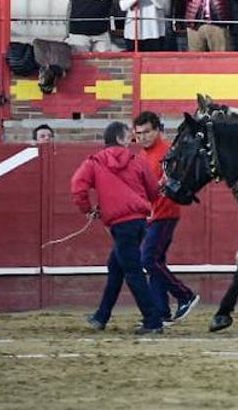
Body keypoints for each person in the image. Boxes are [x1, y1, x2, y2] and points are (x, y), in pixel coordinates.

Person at [70, 121, 164, 335]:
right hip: (139, 222)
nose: (133, 140)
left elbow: (78, 188)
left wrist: (87, 210)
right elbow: (153, 191)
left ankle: (153, 321)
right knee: (116, 267)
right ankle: (101, 316)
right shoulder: (137, 160)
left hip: (120, 226)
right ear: (121, 139)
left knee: (132, 273)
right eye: (129, 137)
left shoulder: (94, 162)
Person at [133, 111, 201, 328]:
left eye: (146, 132)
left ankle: (185, 295)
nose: (142, 137)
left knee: (148, 260)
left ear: (157, 130)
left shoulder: (168, 152)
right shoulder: (141, 156)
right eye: (138, 133)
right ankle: (161, 312)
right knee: (155, 263)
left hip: (165, 213)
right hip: (151, 215)